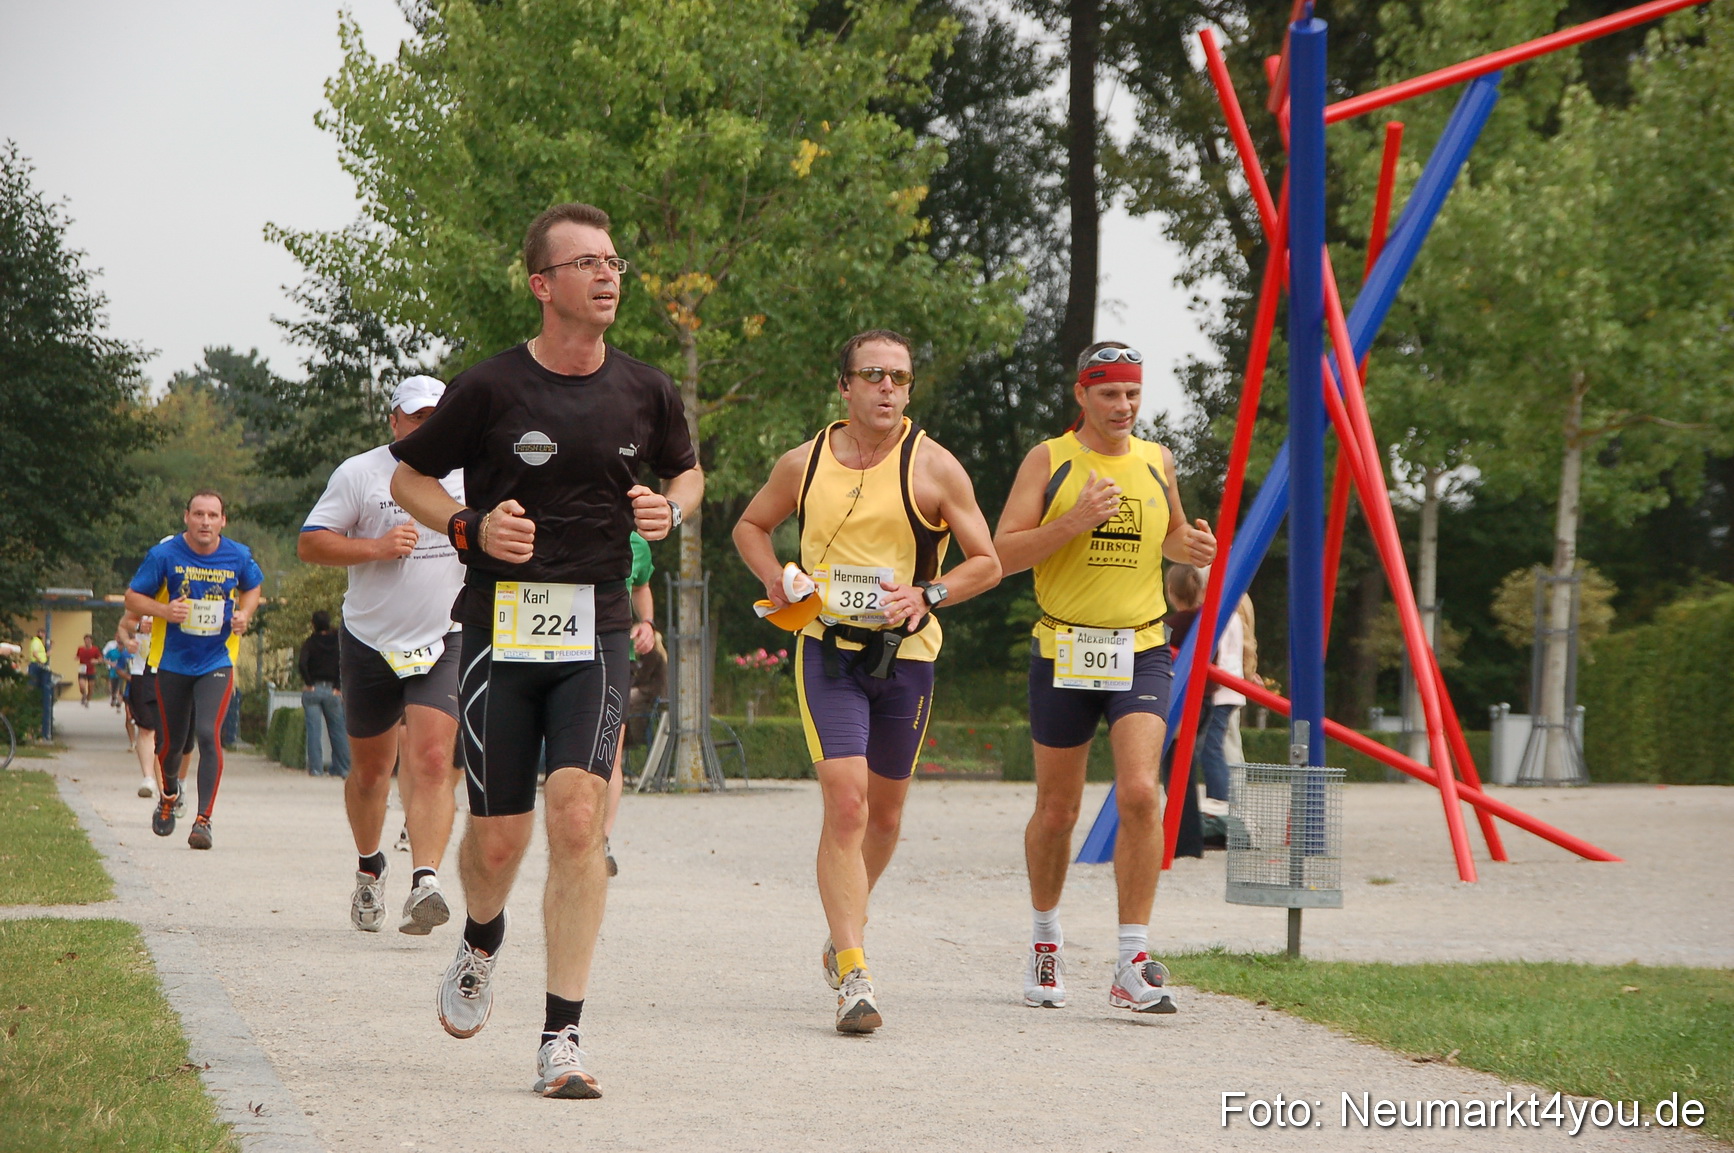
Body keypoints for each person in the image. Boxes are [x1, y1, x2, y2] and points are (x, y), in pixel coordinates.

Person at [389, 202, 702, 1098]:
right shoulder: (489, 388)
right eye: (587, 262)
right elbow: (409, 475)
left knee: (577, 817)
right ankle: (481, 938)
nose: (608, 274)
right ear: (542, 284)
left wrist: (670, 508)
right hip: (501, 628)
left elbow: (686, 469)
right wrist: (469, 524)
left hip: (596, 627)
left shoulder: (646, 388)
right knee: (496, 842)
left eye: (614, 261)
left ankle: (562, 1033)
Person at [733, 328, 1001, 1035]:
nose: (888, 388)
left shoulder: (934, 466)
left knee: (883, 816)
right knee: (847, 804)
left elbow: (988, 562)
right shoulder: (804, 462)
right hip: (827, 650)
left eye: (900, 377)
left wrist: (928, 594)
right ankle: (853, 970)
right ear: (845, 386)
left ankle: (841, 926)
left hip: (905, 656)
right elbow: (751, 526)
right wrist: (775, 575)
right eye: (874, 375)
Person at [992, 341, 1215, 1015]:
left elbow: (1170, 536)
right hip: (1063, 647)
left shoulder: (1157, 459)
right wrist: (1076, 519)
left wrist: (1189, 546)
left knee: (1142, 792)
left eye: (1133, 393)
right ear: (1082, 395)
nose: (1124, 406)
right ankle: (1045, 940)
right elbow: (1001, 552)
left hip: (1141, 647)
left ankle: (1131, 961)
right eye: (1110, 393)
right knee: (1058, 810)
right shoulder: (1049, 460)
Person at [299, 374, 467, 937]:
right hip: (370, 640)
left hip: (444, 636)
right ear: (394, 421)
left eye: (437, 417)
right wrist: (375, 547)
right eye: (417, 417)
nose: (427, 426)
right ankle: (370, 868)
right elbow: (310, 542)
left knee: (434, 759)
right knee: (371, 772)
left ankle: (426, 882)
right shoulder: (360, 473)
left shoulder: (470, 472)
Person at [124, 490, 262, 850]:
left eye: (213, 515)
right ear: (186, 517)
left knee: (207, 733)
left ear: (223, 521)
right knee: (171, 744)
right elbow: (132, 597)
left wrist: (245, 614)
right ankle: (169, 794)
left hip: (217, 659)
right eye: (199, 514)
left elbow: (253, 587)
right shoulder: (164, 555)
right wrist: (165, 611)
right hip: (173, 661)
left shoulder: (237, 555)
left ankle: (204, 820)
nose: (205, 521)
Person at [602, 530, 658, 877]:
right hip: (564, 651)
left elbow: (641, 585)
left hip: (616, 656)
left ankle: (603, 840)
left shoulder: (636, 542)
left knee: (612, 753)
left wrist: (647, 623)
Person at [297, 611, 350, 779]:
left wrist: (309, 683)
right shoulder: (337, 642)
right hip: (332, 690)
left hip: (314, 690)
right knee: (338, 731)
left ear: (313, 624)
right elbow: (344, 663)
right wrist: (338, 686)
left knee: (314, 731)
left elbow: (302, 663)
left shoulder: (310, 642)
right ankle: (342, 768)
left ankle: (316, 769)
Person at [116, 612, 164, 798]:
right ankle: (148, 778)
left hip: (171, 670)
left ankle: (167, 787)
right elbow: (123, 625)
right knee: (146, 728)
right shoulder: (141, 601)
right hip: (142, 672)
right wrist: (129, 640)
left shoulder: (179, 600)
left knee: (165, 733)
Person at [28, 629, 53, 740]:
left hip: (41, 666)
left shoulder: (40, 643)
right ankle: (43, 732)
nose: (43, 635)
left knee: (42, 692)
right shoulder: (36, 641)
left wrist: (51, 648)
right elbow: (35, 653)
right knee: (35, 689)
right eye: (42, 633)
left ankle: (44, 731)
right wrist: (41, 661)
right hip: (37, 666)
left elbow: (44, 655)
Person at [75, 634, 101, 708]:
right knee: (81, 685)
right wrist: (76, 658)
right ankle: (84, 694)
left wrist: (96, 661)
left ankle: (87, 700)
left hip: (91, 670)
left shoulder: (95, 649)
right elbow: (77, 656)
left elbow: (100, 659)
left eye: (88, 640)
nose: (87, 641)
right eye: (86, 640)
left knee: (90, 688)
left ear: (91, 641)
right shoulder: (80, 649)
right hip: (82, 669)